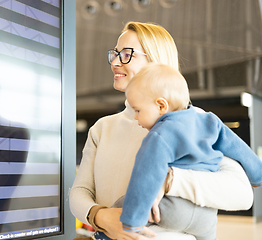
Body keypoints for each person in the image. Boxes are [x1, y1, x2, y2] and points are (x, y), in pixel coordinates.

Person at [69, 21, 254, 240]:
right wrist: (101, 217)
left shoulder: (194, 121)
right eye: (115, 53)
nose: (116, 62)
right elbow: (80, 192)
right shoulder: (102, 128)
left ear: (156, 60)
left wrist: (168, 180)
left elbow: (242, 194)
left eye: (127, 54)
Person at [118, 63, 262, 239]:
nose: (135, 117)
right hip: (206, 214)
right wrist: (257, 174)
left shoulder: (159, 135)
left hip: (173, 210)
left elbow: (145, 175)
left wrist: (131, 222)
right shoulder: (209, 120)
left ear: (161, 106)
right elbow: (239, 149)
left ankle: (102, 235)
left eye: (138, 110)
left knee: (120, 204)